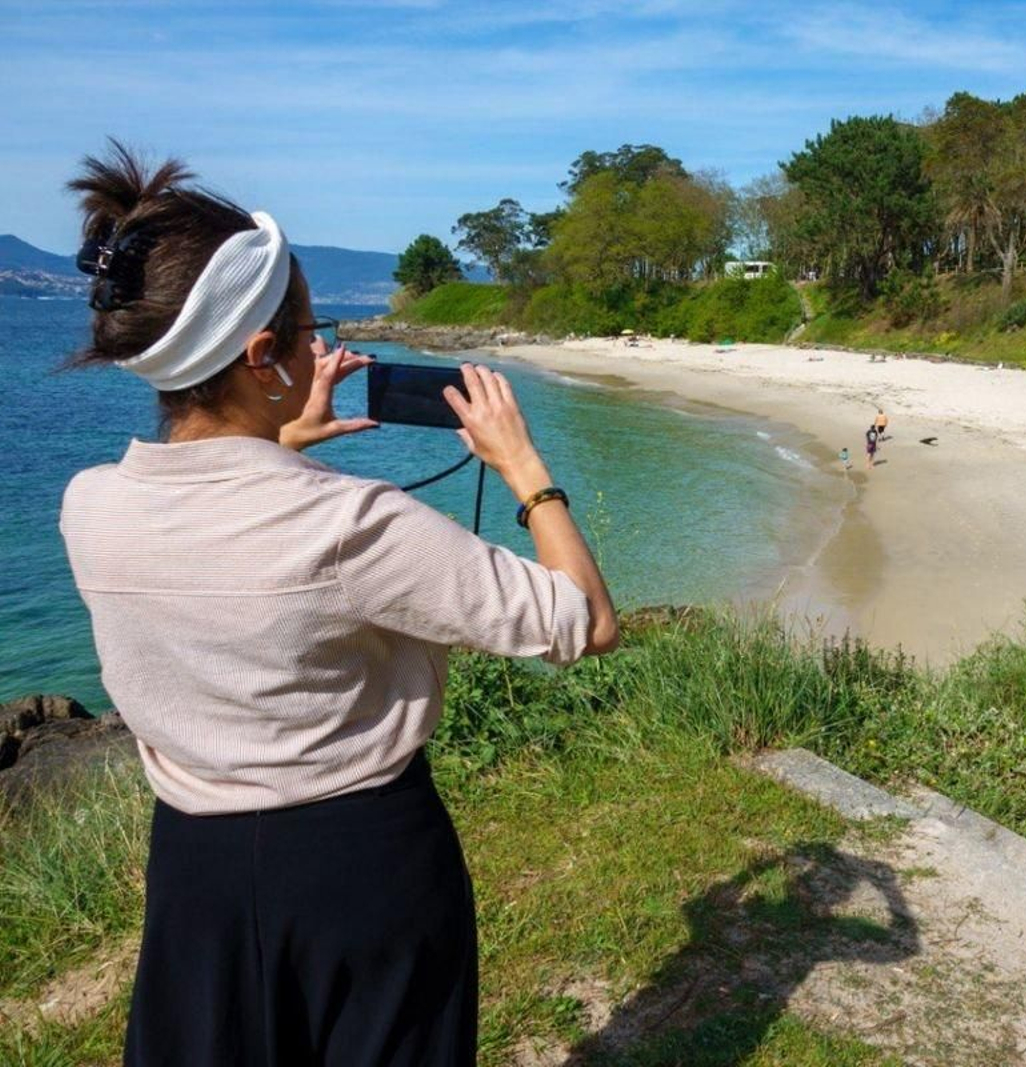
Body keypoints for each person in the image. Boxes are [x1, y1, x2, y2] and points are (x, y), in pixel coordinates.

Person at [58, 145, 618, 1065]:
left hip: (191, 870)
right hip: (362, 864)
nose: (323, 349)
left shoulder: (90, 506)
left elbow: (236, 531)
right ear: (262, 355)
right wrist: (526, 471)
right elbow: (586, 624)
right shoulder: (356, 523)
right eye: (309, 333)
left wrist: (282, 440)